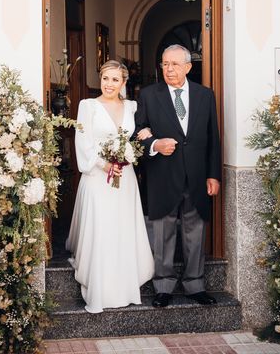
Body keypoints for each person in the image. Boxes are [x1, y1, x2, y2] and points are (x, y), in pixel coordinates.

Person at [135, 44, 221, 308]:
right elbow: (136, 133)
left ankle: (195, 285)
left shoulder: (205, 95)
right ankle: (163, 286)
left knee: (195, 233)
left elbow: (212, 138)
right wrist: (155, 145)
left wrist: (213, 175)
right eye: (164, 64)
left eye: (174, 64)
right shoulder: (149, 95)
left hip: (196, 177)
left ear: (188, 67)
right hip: (162, 176)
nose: (169, 69)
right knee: (163, 232)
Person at [65, 60, 154, 313]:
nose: (109, 84)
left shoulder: (132, 107)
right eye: (105, 78)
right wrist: (104, 165)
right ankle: (100, 288)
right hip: (97, 176)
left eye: (115, 79)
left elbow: (140, 132)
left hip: (124, 178)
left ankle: (124, 286)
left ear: (124, 83)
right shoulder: (88, 106)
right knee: (102, 228)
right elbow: (83, 142)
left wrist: (142, 139)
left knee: (122, 227)